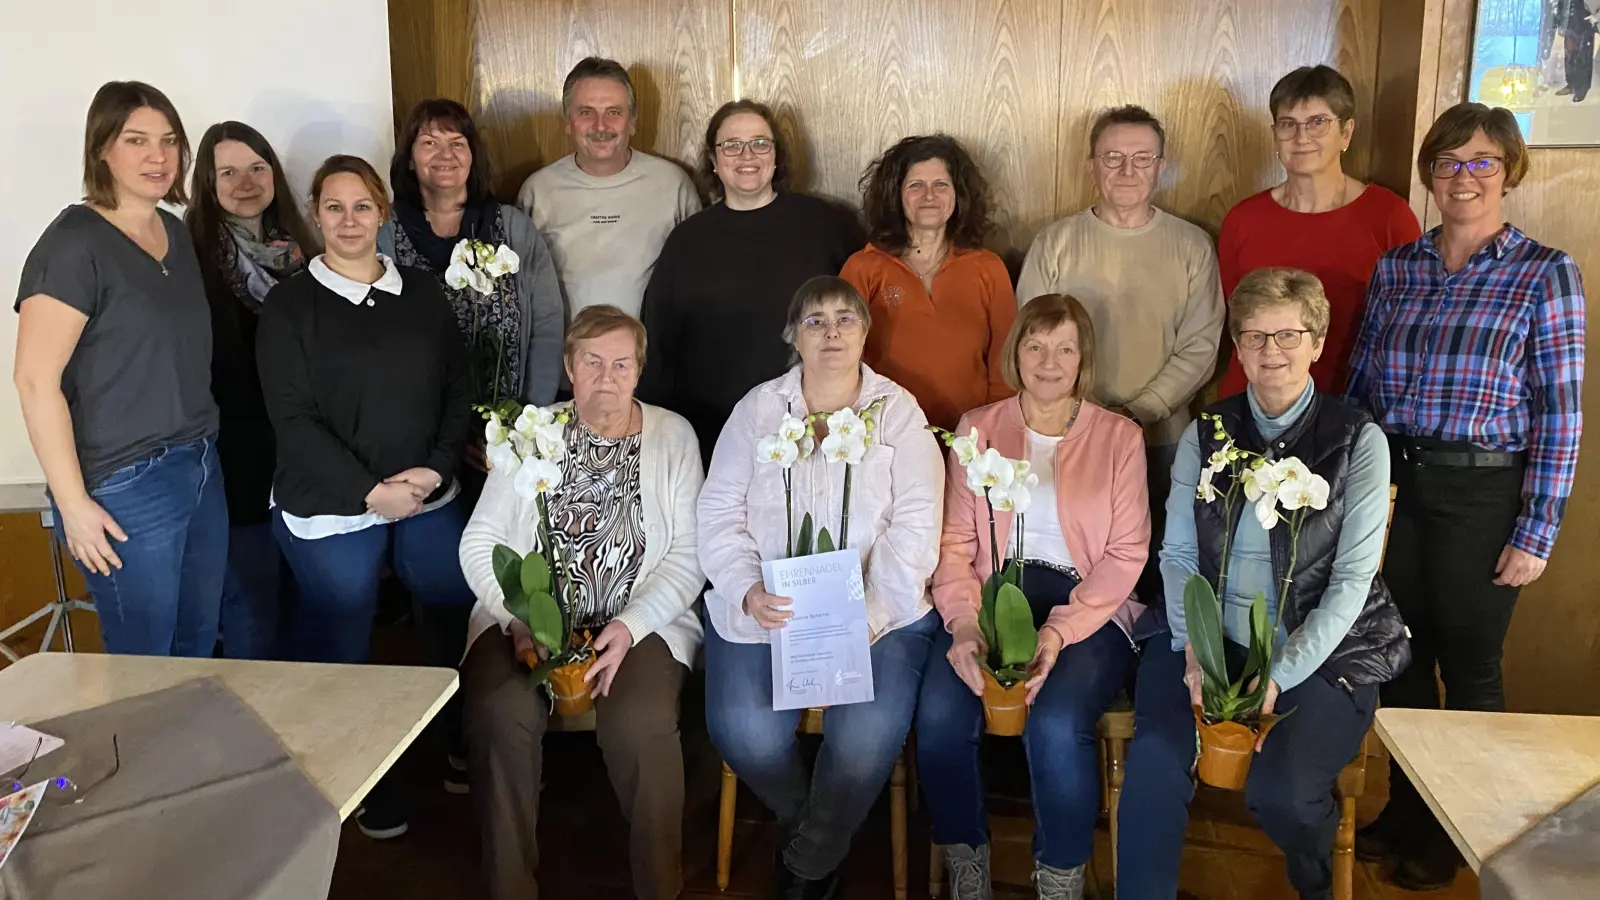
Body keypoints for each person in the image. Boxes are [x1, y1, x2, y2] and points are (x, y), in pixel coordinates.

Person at [1346, 102, 1586, 891]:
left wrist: (1537, 530)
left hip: (1484, 494)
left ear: (1509, 172)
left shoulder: (1544, 272)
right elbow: (1361, 382)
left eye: (1482, 161)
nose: (1464, 176)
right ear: (1430, 174)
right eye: (1449, 162)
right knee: (1401, 658)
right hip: (1398, 486)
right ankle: (1408, 812)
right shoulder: (1399, 268)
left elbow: (1561, 412)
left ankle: (1462, 831)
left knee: (1472, 667)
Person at [1116, 268, 1409, 900]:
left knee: (1283, 793)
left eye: (1288, 335)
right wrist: (1196, 652)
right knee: (1156, 759)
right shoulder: (1207, 433)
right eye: (1253, 336)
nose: (1270, 351)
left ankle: (1314, 881)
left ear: (1317, 343)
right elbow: (1177, 554)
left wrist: (1280, 673)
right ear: (1238, 347)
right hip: (1207, 640)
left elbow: (1352, 581)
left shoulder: (1358, 440)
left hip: (1323, 647)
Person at [698, 276, 944, 898]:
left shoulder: (897, 412)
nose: (831, 332)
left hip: (879, 614)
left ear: (865, 333)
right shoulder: (758, 411)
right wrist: (746, 589)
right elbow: (718, 512)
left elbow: (917, 525)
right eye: (815, 321)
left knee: (862, 741)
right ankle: (820, 831)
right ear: (794, 337)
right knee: (745, 730)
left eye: (845, 319)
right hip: (768, 608)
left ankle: (807, 863)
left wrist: (870, 613)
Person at [256, 154, 475, 839]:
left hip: (424, 489)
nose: (349, 220)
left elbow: (457, 388)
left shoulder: (423, 290)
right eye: (334, 207)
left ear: (382, 212)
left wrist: (433, 471)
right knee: (343, 620)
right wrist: (369, 491)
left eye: (361, 206)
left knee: (453, 590)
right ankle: (360, 777)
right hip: (331, 500)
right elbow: (291, 418)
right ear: (315, 215)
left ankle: (458, 732)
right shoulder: (290, 305)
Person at [458, 305, 704, 900]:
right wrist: (518, 618)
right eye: (592, 362)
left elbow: (691, 555)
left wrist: (632, 624)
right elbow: (479, 541)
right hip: (526, 620)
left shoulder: (673, 435)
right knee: (498, 710)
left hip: (641, 621)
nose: (606, 378)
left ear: (639, 370)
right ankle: (510, 888)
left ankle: (659, 887)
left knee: (641, 722)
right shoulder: (533, 432)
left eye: (621, 364)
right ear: (569, 367)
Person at [919, 294, 1149, 900]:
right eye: (1036, 346)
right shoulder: (977, 429)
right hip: (993, 594)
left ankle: (1059, 878)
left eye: (1065, 349)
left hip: (1089, 605)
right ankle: (966, 863)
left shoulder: (1120, 437)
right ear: (1015, 352)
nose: (1049, 362)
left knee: (1055, 724)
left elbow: (1127, 554)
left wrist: (1058, 630)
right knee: (939, 715)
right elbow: (954, 543)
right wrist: (963, 622)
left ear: (1083, 359)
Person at [13, 81, 225, 657]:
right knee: (143, 663)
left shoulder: (173, 231)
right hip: (125, 484)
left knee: (196, 644)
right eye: (137, 140)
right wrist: (73, 506)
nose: (158, 156)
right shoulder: (73, 245)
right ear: (102, 148)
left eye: (169, 141)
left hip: (200, 462)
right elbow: (34, 382)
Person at [1014, 104, 1223, 608]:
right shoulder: (1055, 242)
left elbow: (1201, 344)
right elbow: (1032, 339)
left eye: (1141, 158)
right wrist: (1082, 417)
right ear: (1091, 165)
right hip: (1066, 436)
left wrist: (1138, 413)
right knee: (1073, 567)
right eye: (1112, 158)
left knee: (1155, 570)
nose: (1127, 170)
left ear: (1160, 165)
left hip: (1161, 438)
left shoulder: (1192, 245)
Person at [639, 99, 863, 464]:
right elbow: (659, 342)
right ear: (714, 160)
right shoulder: (687, 241)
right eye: (732, 145)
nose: (747, 155)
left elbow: (860, 319)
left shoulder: (823, 225)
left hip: (812, 425)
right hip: (713, 431)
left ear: (776, 156)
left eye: (760, 143)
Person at [185, 121, 316, 661]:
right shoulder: (191, 260)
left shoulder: (306, 256)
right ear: (207, 184)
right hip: (236, 465)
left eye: (257, 168)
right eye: (228, 172)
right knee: (252, 609)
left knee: (309, 606)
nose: (245, 182)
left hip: (306, 461)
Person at [1215, 66, 1421, 397]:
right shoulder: (1243, 221)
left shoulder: (1389, 217)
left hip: (1351, 404)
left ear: (1346, 132)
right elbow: (1235, 322)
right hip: (1255, 404)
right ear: (1275, 134)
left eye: (1317, 122)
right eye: (1288, 124)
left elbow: (1411, 326)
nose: (1302, 137)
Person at [381, 99, 565, 416]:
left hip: (506, 422)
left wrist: (531, 415)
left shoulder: (513, 228)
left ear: (472, 157)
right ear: (409, 159)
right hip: (417, 422)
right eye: (429, 143)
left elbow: (546, 323)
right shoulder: (384, 233)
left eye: (457, 143)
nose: (446, 155)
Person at [840, 134, 1015, 432]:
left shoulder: (988, 268)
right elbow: (843, 359)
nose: (929, 196)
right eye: (915, 185)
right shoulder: (863, 267)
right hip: (886, 434)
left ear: (959, 194)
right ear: (895, 195)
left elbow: (1005, 360)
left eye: (941, 185)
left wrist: (991, 430)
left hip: (969, 437)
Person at [516, 57, 701, 320]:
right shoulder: (537, 191)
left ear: (632, 121)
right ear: (568, 121)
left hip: (653, 345)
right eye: (586, 112)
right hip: (564, 346)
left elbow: (699, 278)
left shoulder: (674, 185)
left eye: (614, 112)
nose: (600, 126)